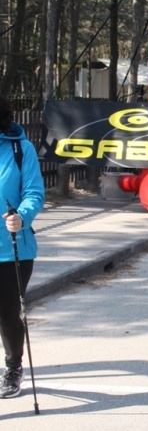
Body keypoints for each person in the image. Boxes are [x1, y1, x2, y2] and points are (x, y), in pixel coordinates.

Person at [0, 95, 45, 399]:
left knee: (6, 313)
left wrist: (22, 216)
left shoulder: (20, 149)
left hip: (11, 248)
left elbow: (34, 193)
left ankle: (13, 367)